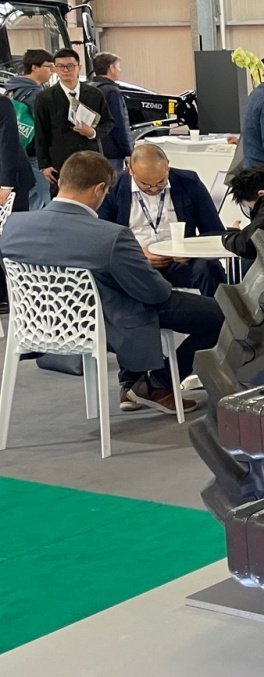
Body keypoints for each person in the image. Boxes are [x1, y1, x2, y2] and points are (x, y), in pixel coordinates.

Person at [0, 150, 221, 414]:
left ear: (61, 182)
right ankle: (156, 383)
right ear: (100, 190)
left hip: (46, 322)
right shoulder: (110, 236)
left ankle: (145, 383)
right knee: (221, 314)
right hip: (111, 319)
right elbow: (155, 292)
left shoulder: (13, 226)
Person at [100, 142, 226, 296]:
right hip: (136, 263)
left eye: (161, 182)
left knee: (209, 268)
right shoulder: (113, 188)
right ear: (130, 171)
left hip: (181, 262)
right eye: (145, 184)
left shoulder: (188, 182)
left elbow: (215, 232)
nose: (153, 189)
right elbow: (103, 240)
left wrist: (190, 250)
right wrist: (137, 254)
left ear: (168, 167)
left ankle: (219, 316)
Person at [33, 48, 106, 189]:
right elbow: (41, 132)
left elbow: (109, 122)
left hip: (90, 156)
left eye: (70, 66)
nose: (66, 70)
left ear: (79, 67)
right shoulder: (45, 97)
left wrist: (93, 132)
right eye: (61, 66)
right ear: (55, 68)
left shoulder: (95, 94)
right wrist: (44, 165)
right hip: (59, 161)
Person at [5, 49, 53, 209]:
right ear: (35, 67)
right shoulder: (36, 94)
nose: (52, 71)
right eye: (49, 67)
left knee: (28, 196)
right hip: (33, 153)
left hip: (15, 150)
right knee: (43, 197)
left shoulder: (11, 88)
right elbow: (45, 126)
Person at [90, 52, 135, 173]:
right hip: (112, 152)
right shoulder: (112, 91)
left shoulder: (89, 88)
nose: (120, 70)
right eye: (118, 66)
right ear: (111, 68)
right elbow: (118, 124)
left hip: (93, 148)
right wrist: (128, 151)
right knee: (113, 186)